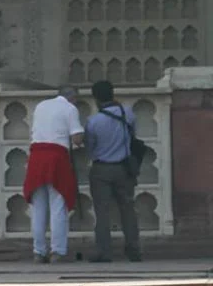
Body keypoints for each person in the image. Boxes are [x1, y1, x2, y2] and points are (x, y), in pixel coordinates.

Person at [23, 87, 83, 264]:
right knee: (58, 206)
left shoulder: (41, 105)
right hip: (56, 157)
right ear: (73, 97)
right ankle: (57, 251)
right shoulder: (70, 109)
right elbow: (77, 138)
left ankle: (38, 252)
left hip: (36, 157)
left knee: (38, 207)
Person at [85, 80, 141, 263]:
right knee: (128, 209)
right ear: (113, 93)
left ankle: (104, 252)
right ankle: (133, 249)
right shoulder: (128, 114)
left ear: (95, 98)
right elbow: (132, 137)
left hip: (101, 169)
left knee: (102, 212)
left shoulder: (93, 122)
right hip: (124, 168)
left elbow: (90, 148)